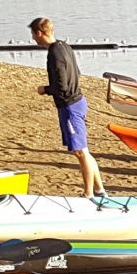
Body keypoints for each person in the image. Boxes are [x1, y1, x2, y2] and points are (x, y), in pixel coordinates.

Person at [29, 17, 106, 198]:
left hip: (70, 105)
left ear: (39, 33)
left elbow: (61, 86)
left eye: (33, 35)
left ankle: (88, 194)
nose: (33, 39)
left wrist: (45, 89)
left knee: (80, 151)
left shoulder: (55, 53)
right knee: (83, 151)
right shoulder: (64, 46)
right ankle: (99, 189)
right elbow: (76, 73)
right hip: (77, 102)